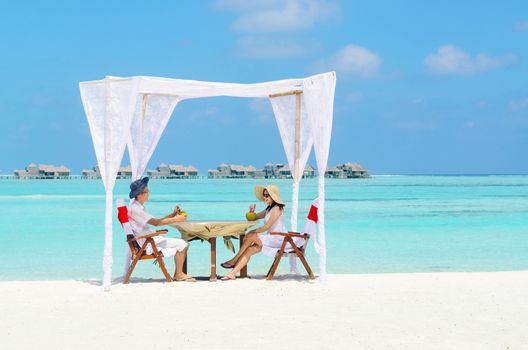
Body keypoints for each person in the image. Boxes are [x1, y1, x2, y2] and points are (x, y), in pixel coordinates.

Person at [220, 184, 303, 281]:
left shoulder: (277, 208)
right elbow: (254, 217)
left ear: (273, 196)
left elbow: (266, 226)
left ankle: (234, 260)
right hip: (270, 238)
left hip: (278, 239)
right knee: (249, 250)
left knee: (252, 235)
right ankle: (232, 274)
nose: (264, 197)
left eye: (267, 195)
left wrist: (251, 232)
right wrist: (251, 211)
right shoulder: (269, 209)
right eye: (264, 195)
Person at [128, 177, 195, 282]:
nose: (149, 193)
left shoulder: (136, 207)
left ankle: (178, 274)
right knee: (184, 244)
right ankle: (179, 274)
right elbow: (157, 223)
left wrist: (172, 215)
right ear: (140, 194)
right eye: (147, 191)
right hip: (147, 243)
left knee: (183, 243)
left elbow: (156, 221)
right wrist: (177, 219)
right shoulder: (137, 210)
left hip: (147, 240)